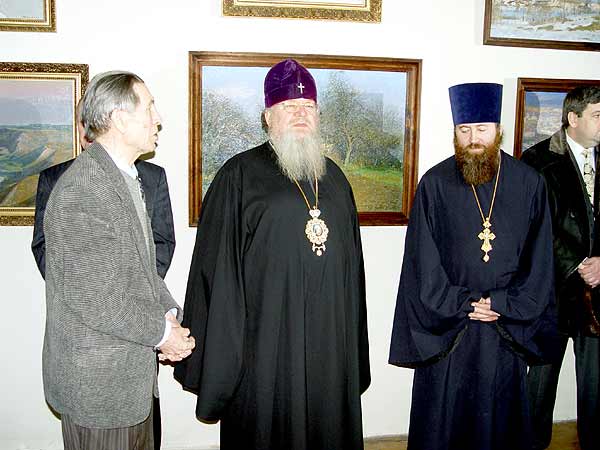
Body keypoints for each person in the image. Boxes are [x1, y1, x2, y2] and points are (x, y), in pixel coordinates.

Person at [174, 58, 370, 450]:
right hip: (266, 345)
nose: (301, 114)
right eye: (289, 106)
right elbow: (216, 273)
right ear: (268, 117)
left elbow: (355, 276)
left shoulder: (335, 179)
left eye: (308, 106)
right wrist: (221, 358)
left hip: (329, 344)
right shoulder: (238, 176)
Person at [389, 82, 559, 450]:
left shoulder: (529, 184)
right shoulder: (435, 183)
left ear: (498, 130)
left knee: (499, 424)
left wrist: (503, 302)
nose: (473, 139)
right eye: (464, 130)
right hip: (451, 327)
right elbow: (421, 261)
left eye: (482, 129)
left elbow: (540, 260)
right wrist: (462, 302)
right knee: (443, 421)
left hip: (504, 327)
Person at [42, 70, 195, 450]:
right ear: (120, 119)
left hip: (127, 381)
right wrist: (163, 335)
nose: (158, 119)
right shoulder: (84, 189)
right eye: (150, 107)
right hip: (100, 391)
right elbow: (100, 300)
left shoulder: (121, 177)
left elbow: (143, 269)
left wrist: (169, 316)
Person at [521, 85, 600, 450]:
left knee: (596, 386)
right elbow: (532, 227)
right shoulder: (537, 160)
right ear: (573, 118)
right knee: (539, 385)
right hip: (551, 294)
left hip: (597, 296)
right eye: (597, 115)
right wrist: (577, 263)